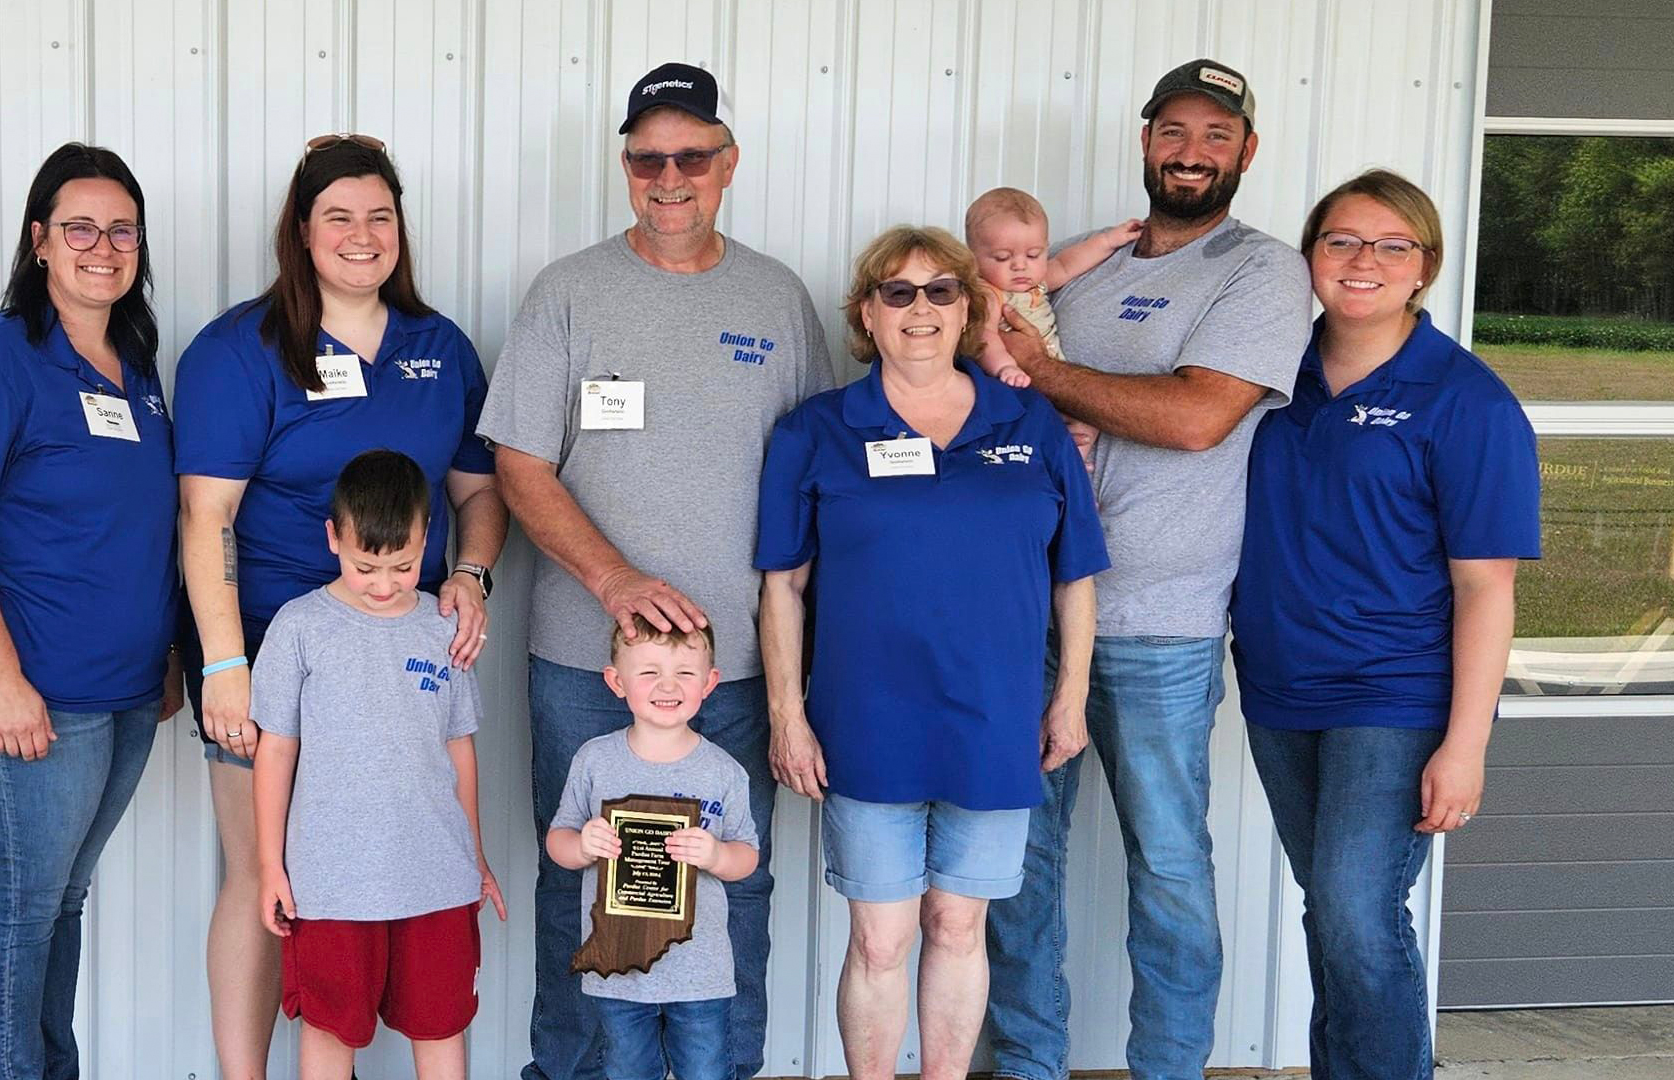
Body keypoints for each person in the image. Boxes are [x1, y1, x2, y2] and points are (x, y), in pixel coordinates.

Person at [476, 62, 832, 1080]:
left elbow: (822, 466)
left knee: (732, 885)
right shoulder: (569, 293)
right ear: (626, 167)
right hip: (589, 668)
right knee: (584, 881)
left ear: (727, 163)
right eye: (647, 158)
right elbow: (518, 465)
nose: (668, 176)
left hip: (735, 674)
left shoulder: (775, 298)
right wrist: (613, 581)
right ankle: (574, 1070)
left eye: (690, 156)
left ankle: (728, 1068)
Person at [983, 59, 1314, 1080]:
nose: (1191, 152)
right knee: (1015, 870)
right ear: (1145, 141)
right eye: (1174, 130)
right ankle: (1030, 1064)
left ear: (1247, 153)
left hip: (1158, 623)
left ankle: (1168, 1069)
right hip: (1020, 614)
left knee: (1169, 868)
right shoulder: (1082, 267)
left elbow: (1196, 415)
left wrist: (1045, 374)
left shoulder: (1259, 272)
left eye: (1216, 135)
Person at [174, 133, 507, 1077]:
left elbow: (479, 496)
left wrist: (471, 575)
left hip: (403, 667)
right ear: (302, 230)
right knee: (263, 878)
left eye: (380, 216)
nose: (362, 236)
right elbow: (207, 517)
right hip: (279, 664)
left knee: (392, 888)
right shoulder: (242, 350)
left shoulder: (439, 350)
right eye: (338, 217)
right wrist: (227, 666)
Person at [756, 225, 1108, 1080]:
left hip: (995, 719)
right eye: (898, 292)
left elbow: (1077, 577)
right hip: (868, 720)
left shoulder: (1029, 421)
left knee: (959, 924)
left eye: (941, 290)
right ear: (867, 315)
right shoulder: (819, 429)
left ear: (970, 308)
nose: (921, 309)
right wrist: (788, 715)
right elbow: (782, 587)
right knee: (882, 936)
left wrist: (1069, 698)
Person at [1231, 170, 1539, 1080]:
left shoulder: (1464, 399)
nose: (1363, 261)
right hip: (1279, 688)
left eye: (1391, 244)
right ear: (1310, 258)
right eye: (1341, 241)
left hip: (1395, 691)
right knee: (1331, 910)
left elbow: (1487, 587)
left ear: (1424, 267)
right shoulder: (1266, 369)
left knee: (1358, 911)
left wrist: (1466, 745)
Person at [0, 142, 183, 1080]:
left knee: (58, 902)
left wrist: (169, 657)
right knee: (22, 905)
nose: (102, 246)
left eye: (121, 230)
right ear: (39, 241)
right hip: (30, 697)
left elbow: (139, 519)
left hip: (121, 694)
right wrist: (3, 682)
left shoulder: (134, 360)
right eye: (80, 227)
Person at [250, 450, 506, 1080]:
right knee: (331, 1031)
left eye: (405, 564)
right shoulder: (299, 628)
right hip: (330, 882)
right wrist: (269, 867)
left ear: (427, 537)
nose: (386, 583)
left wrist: (474, 856)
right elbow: (275, 751)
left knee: (441, 1025)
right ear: (333, 537)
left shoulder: (443, 628)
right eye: (366, 566)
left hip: (437, 876)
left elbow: (458, 749)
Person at [545, 617, 760, 1080]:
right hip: (619, 968)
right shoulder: (595, 760)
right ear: (616, 682)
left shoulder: (723, 771)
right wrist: (583, 846)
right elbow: (557, 840)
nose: (668, 685)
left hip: (700, 971)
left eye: (685, 672)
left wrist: (716, 856)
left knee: (705, 1071)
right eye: (649, 672)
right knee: (627, 1071)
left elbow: (747, 855)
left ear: (710, 682)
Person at [963, 187, 1141, 391]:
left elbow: (1068, 264)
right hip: (1014, 379)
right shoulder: (990, 294)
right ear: (972, 259)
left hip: (1053, 373)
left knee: (1080, 420)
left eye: (1033, 255)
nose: (1020, 266)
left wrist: (1109, 240)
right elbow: (985, 337)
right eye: (1003, 257)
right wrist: (1005, 367)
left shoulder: (1036, 283)